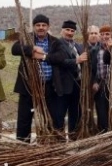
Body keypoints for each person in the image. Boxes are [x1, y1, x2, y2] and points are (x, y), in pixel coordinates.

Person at [11, 14, 76, 142]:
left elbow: (61, 57)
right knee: (24, 118)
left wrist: (45, 57)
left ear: (48, 27)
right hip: (28, 87)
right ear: (34, 27)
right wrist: (32, 49)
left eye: (43, 25)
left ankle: (49, 143)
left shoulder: (54, 41)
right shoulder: (27, 38)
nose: (41, 28)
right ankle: (23, 145)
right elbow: (14, 49)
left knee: (51, 118)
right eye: (38, 25)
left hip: (49, 86)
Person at [60, 20, 88, 135]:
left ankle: (73, 138)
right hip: (63, 86)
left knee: (75, 114)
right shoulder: (56, 44)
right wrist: (77, 60)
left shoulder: (78, 46)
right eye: (67, 30)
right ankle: (59, 141)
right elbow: (59, 61)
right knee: (60, 114)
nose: (70, 33)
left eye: (72, 31)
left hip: (77, 85)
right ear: (62, 30)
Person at [91, 25, 112, 132]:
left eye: (107, 34)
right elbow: (93, 69)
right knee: (101, 112)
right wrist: (94, 82)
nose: (105, 36)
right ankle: (103, 134)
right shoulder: (95, 50)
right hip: (100, 84)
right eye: (102, 34)